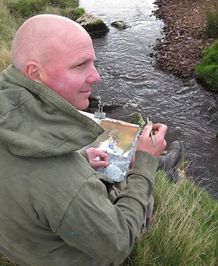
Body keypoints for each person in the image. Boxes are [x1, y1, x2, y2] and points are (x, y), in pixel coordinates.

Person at [0, 14, 183, 266]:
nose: (96, 76)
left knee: (109, 153)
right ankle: (153, 164)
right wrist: (144, 162)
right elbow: (119, 243)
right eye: (80, 65)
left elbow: (24, 177)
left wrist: (79, 159)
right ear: (35, 73)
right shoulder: (67, 184)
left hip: (22, 242)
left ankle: (152, 163)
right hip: (73, 255)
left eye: (93, 63)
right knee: (136, 171)